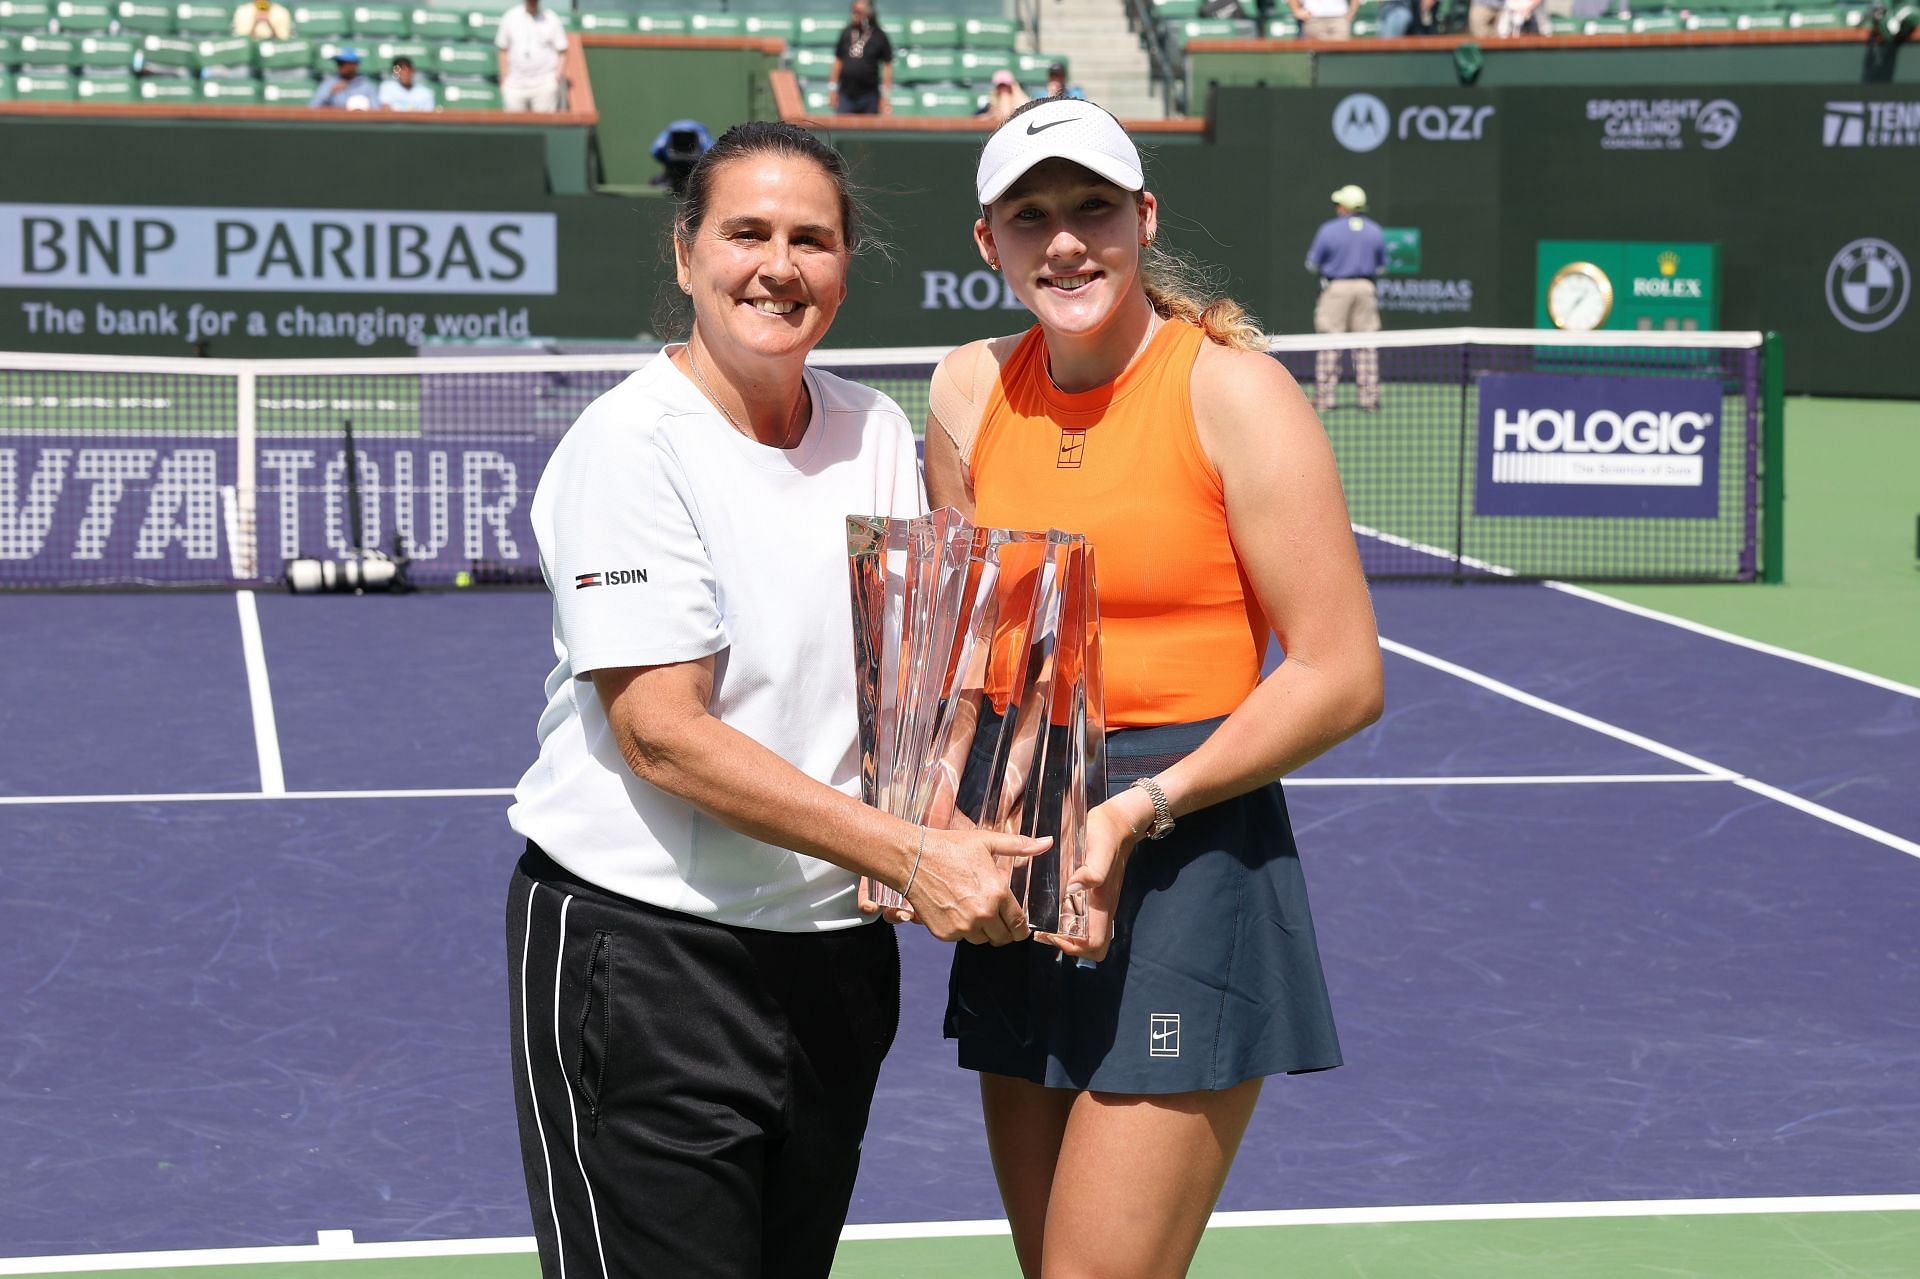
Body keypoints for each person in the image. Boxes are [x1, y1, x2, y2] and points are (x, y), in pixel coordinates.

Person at [505, 121, 1049, 1279]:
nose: (779, 265)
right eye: (746, 232)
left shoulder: (876, 430)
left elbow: (908, 683)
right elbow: (664, 737)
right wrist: (911, 853)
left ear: (846, 264)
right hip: (648, 960)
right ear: (687, 251)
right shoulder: (629, 446)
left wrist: (950, 807)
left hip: (834, 964)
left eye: (812, 239)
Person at [920, 97, 1383, 1279]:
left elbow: (1341, 674)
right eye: (1031, 216)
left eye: (1092, 209)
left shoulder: (1234, 392)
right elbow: (961, 647)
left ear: (1143, 218)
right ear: (989, 242)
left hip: (1184, 851)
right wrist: (923, 810)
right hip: (1023, 847)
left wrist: (1141, 807)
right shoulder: (966, 390)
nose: (1064, 241)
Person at [1305, 182, 1386, 412]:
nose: (1336, 207)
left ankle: (1325, 398)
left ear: (1344, 206)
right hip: (1366, 289)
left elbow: (1312, 264)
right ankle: (1370, 399)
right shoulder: (1375, 230)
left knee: (1331, 342)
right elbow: (1382, 267)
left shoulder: (1328, 230)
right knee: (1366, 344)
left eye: (1338, 203)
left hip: (1336, 289)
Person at [495, 0, 568, 113]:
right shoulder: (510, 17)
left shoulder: (552, 18)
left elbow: (563, 51)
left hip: (544, 84)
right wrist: (505, 77)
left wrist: (556, 78)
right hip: (515, 85)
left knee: (544, 127)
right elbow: (502, 49)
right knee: (515, 128)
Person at [829, 0, 892, 115]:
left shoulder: (879, 35)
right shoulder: (847, 33)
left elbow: (887, 66)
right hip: (846, 94)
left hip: (869, 95)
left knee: (868, 131)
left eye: (858, 12)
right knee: (843, 130)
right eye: (853, 11)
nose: (854, 14)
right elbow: (838, 62)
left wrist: (885, 97)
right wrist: (832, 90)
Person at [308, 47, 375, 109]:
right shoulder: (329, 84)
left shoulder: (366, 87)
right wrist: (330, 92)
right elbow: (313, 107)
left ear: (354, 65)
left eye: (342, 63)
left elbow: (376, 109)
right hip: (335, 121)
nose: (340, 67)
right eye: (338, 63)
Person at [1290, 0, 1360, 38]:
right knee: (1317, 52)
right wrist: (1297, 10)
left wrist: (1352, 11)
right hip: (1313, 18)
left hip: (1340, 18)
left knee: (1340, 52)